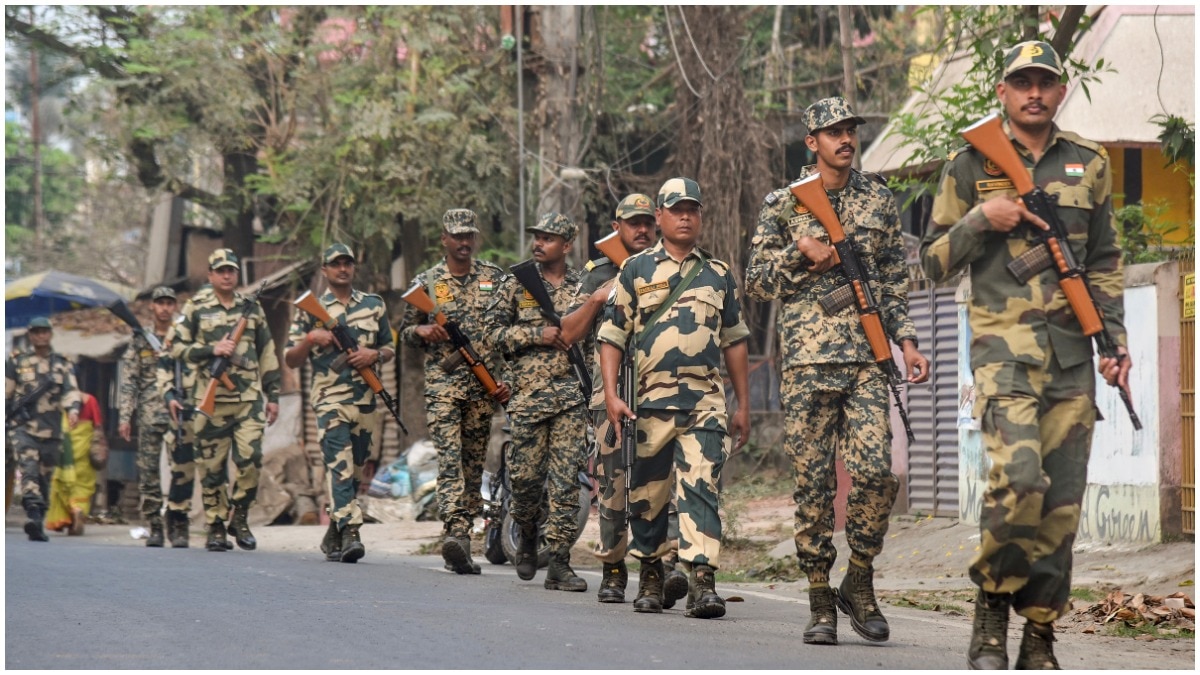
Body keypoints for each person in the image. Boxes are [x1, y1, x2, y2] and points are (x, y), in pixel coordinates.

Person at [920, 41, 1130, 670]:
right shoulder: (968, 164)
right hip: (1002, 356)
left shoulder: (1089, 164)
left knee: (1062, 502)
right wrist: (984, 217)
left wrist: (1113, 344)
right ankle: (991, 609)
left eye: (1045, 82)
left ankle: (1039, 634)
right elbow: (932, 262)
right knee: (1019, 481)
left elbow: (1105, 264)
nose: (1033, 92)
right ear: (1002, 93)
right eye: (1022, 83)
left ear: (1060, 91)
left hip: (1070, 359)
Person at [746, 96, 929, 644]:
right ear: (812, 142)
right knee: (814, 487)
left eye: (850, 129)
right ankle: (820, 601)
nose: (845, 139)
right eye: (833, 132)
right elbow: (755, 283)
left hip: (869, 361)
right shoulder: (784, 204)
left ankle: (861, 580)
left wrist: (909, 341)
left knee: (877, 474)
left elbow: (894, 279)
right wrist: (798, 252)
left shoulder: (878, 198)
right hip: (807, 364)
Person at [598, 177, 751, 618]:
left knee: (701, 489)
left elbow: (735, 341)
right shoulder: (636, 270)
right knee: (648, 494)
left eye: (693, 209)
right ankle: (650, 574)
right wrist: (611, 396)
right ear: (660, 216)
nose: (685, 216)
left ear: (701, 216)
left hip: (705, 403)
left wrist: (742, 405)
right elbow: (611, 336)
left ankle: (703, 582)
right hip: (647, 404)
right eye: (676, 209)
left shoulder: (718, 274)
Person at [559, 193, 688, 606]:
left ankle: (662, 568)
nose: (641, 230)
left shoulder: (674, 267)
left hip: (660, 392)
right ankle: (613, 568)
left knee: (662, 484)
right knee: (614, 486)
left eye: (647, 222)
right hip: (610, 393)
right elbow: (567, 332)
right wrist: (599, 296)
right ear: (617, 226)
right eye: (632, 223)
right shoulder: (596, 272)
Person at [400, 210, 511, 574]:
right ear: (444, 239)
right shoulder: (426, 284)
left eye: (469, 236)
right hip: (444, 386)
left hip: (483, 387)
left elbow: (507, 328)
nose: (464, 242)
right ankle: (456, 533)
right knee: (450, 460)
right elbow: (403, 333)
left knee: (472, 462)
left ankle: (463, 532)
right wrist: (421, 332)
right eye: (457, 236)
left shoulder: (494, 278)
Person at [486, 212, 589, 591]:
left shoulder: (582, 285)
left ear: (567, 245)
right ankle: (527, 531)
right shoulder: (515, 284)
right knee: (525, 483)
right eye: (537, 236)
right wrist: (537, 334)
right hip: (527, 400)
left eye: (549, 237)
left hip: (570, 398)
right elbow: (493, 334)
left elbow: (592, 340)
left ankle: (560, 562)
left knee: (566, 484)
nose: (539, 243)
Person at [285, 243, 397, 563]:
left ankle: (333, 530)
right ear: (325, 270)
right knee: (340, 465)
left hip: (364, 399)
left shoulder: (374, 305)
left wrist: (373, 354)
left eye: (347, 263)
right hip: (329, 399)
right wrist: (310, 339)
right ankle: (351, 531)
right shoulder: (310, 310)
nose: (343, 269)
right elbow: (290, 360)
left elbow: (389, 347)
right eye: (336, 264)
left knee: (355, 471)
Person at [169, 249, 281, 552]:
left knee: (251, 459)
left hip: (248, 401)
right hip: (210, 402)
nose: (228, 275)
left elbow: (267, 352)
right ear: (210, 275)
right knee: (212, 468)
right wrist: (211, 350)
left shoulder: (251, 308)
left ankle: (240, 517)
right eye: (221, 271)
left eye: (232, 269)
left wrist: (273, 396)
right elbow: (176, 347)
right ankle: (216, 526)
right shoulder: (195, 308)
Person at [5, 317, 82, 541]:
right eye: (36, 332)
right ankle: (33, 515)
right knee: (28, 471)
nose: (40, 336)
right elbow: (6, 392)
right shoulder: (18, 361)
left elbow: (71, 390)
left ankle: (39, 517)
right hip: (23, 428)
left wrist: (74, 409)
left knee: (45, 477)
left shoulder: (62, 363)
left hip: (52, 431)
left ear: (50, 334)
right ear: (30, 335)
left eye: (44, 332)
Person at [117, 285, 178, 547]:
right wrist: (125, 416)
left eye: (169, 302)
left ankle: (178, 524)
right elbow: (129, 380)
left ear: (174, 307)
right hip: (149, 413)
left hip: (178, 411)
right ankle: (155, 526)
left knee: (181, 471)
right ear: (152, 306)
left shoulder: (183, 336)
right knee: (149, 471)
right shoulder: (141, 339)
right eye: (160, 302)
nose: (164, 307)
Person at [159, 325, 198, 549]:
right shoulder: (179, 331)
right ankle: (178, 516)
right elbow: (164, 367)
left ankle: (217, 526)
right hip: (184, 410)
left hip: (214, 409)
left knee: (216, 471)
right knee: (182, 470)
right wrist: (169, 395)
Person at [46, 392, 105, 535]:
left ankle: (70, 514)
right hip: (84, 448)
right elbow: (97, 424)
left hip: (67, 450)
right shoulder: (91, 400)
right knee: (83, 484)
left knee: (64, 483)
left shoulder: (62, 399)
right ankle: (78, 509)